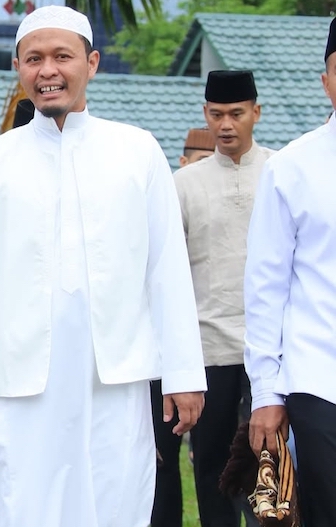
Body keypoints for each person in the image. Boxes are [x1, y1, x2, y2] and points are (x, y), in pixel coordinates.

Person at [0, 6, 207, 527]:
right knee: (24, 508)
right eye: (34, 59)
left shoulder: (136, 152)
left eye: (62, 57)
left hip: (113, 380)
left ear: (91, 63)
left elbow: (166, 271)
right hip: (18, 382)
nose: (48, 70)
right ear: (19, 69)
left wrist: (184, 372)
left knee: (116, 505)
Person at [152, 70, 271, 527]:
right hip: (208, 348)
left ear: (255, 114)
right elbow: (167, 270)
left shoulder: (280, 171)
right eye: (217, 114)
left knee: (271, 466)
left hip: (269, 350)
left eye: (236, 114)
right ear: (205, 114)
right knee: (213, 465)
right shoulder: (183, 185)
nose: (226, 124)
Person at [244, 18, 336, 527]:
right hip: (319, 379)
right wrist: (266, 392)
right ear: (325, 80)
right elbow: (265, 286)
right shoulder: (293, 167)